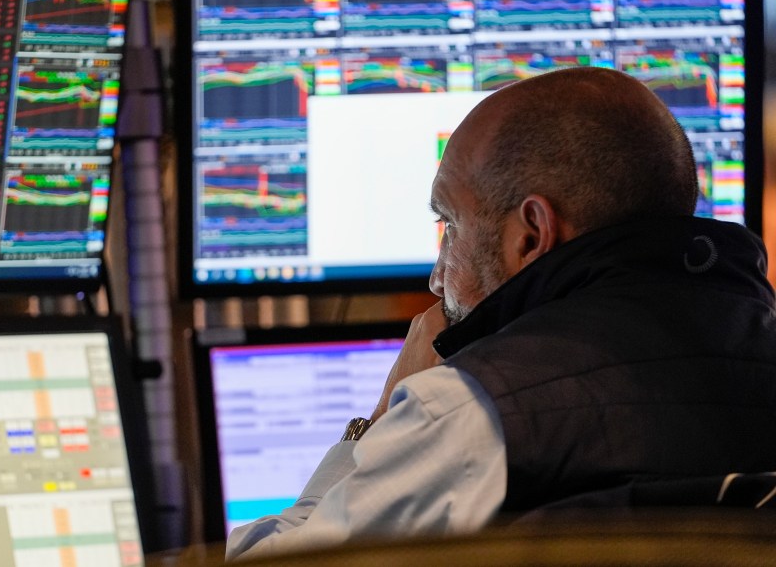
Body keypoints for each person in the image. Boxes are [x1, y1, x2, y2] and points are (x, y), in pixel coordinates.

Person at [226, 67, 776, 560]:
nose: (436, 277)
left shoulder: (470, 413)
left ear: (532, 233)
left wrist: (373, 426)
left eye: (450, 225)